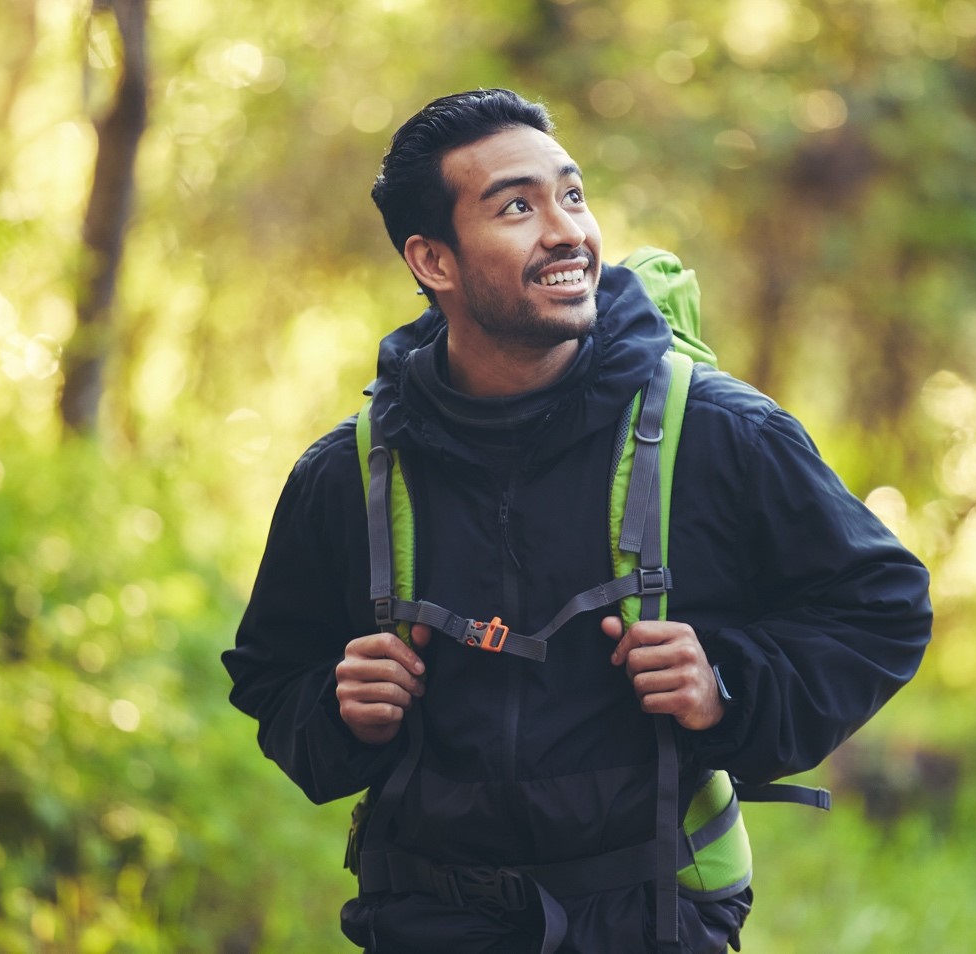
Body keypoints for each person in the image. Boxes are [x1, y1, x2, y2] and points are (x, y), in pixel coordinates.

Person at [223, 88, 932, 953]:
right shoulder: (349, 471)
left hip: (655, 918)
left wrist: (728, 682)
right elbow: (271, 674)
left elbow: (881, 606)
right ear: (433, 261)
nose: (566, 231)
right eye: (517, 207)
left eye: (572, 195)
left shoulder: (720, 431)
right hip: (423, 920)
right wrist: (340, 710)